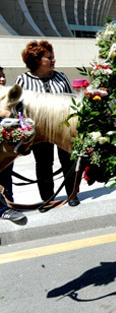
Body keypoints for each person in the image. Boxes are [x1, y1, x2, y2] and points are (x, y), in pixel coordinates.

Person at [14, 41, 79, 206]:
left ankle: (72, 194)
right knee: (44, 164)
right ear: (36, 60)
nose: (53, 60)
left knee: (69, 161)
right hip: (40, 131)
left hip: (63, 128)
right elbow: (16, 108)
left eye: (53, 57)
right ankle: (47, 198)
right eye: (49, 58)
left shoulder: (61, 76)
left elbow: (72, 100)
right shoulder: (22, 80)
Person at [0, 65, 17, 205]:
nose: (2, 79)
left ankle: (9, 203)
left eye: (3, 75)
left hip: (6, 146)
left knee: (6, 176)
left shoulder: (10, 98)